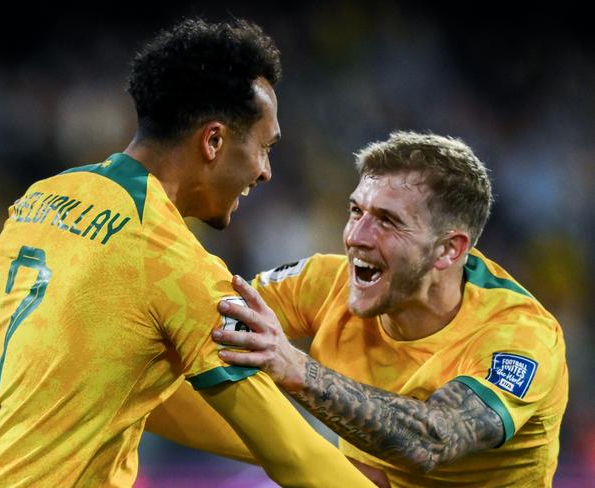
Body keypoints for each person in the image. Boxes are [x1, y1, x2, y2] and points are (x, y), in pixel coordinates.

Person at [0, 18, 377, 488]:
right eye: (264, 147)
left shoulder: (38, 202)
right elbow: (293, 458)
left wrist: (337, 460)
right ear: (214, 140)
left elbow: (149, 397)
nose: (266, 172)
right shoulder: (171, 262)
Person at [151, 131, 567, 487]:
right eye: (356, 211)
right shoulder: (321, 283)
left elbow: (433, 439)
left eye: (387, 220)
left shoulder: (520, 336)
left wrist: (298, 369)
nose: (356, 236)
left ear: (448, 249)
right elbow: (202, 319)